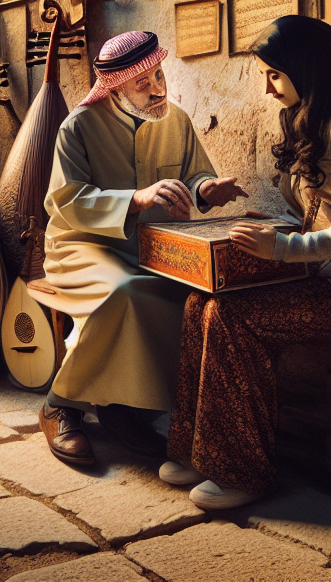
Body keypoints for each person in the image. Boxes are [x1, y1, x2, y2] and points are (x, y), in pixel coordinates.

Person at [160, 15, 331, 510]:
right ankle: (194, 450)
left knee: (231, 315)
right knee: (198, 302)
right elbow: (317, 214)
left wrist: (285, 248)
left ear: (303, 68)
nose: (268, 89)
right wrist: (273, 222)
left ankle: (243, 473)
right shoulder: (305, 117)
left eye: (274, 75)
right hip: (314, 274)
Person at [35, 31, 247, 466]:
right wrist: (136, 198)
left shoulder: (176, 120)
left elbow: (192, 179)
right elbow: (67, 202)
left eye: (158, 75)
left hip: (153, 248)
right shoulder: (78, 127)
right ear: (114, 87)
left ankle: (125, 411)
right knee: (124, 293)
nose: (157, 89)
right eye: (142, 83)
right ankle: (61, 404)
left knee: (191, 302)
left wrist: (207, 189)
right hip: (80, 246)